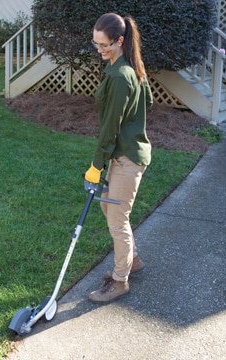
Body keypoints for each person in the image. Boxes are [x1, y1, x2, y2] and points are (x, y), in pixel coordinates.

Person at [84, 13, 153, 303]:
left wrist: (95, 166)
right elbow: (147, 100)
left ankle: (120, 280)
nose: (100, 49)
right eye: (96, 43)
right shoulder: (125, 66)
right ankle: (132, 260)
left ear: (120, 40)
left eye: (105, 44)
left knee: (117, 220)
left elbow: (110, 127)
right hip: (122, 155)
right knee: (108, 208)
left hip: (126, 158)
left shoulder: (120, 75)